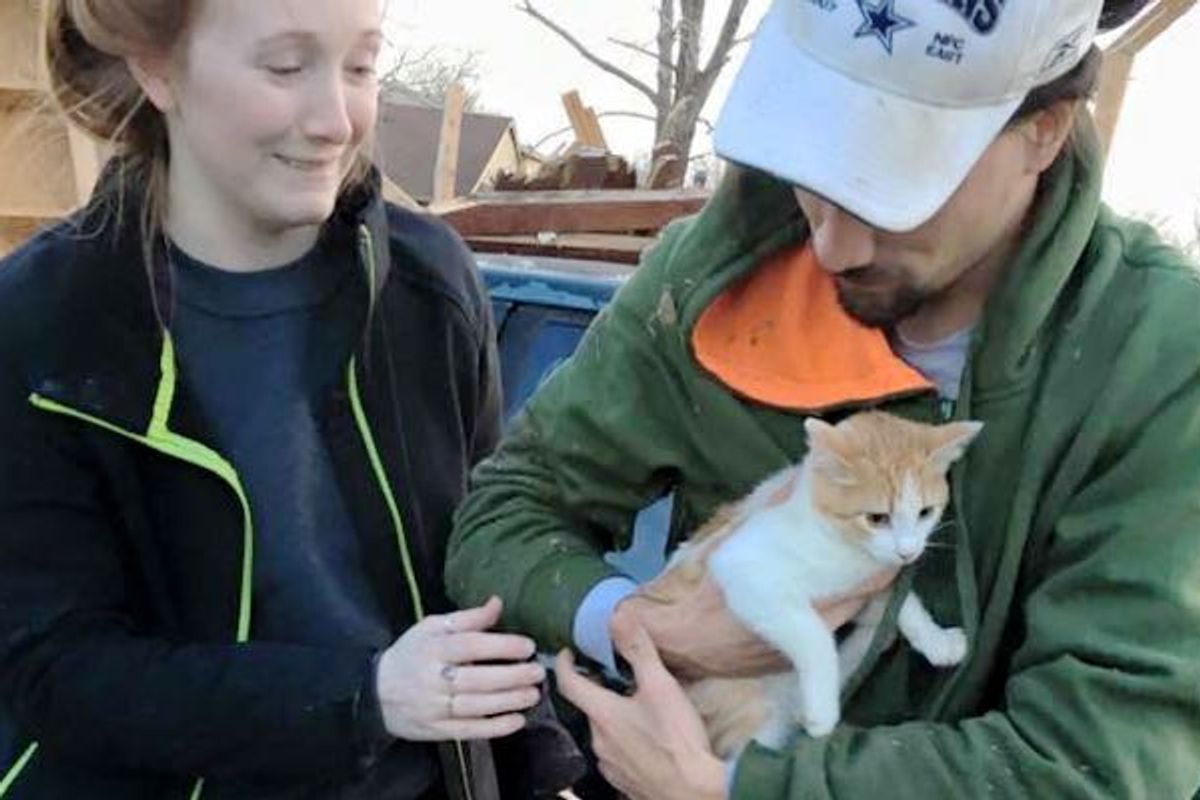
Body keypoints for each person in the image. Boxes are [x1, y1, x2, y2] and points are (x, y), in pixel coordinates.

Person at [446, 0, 1200, 797]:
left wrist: (734, 787)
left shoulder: (1157, 363)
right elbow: (505, 512)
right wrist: (641, 623)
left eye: (893, 189)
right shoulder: (717, 279)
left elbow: (1107, 756)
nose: (833, 248)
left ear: (1043, 129)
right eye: (816, 169)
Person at [0, 1, 552, 797]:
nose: (336, 119)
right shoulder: (45, 323)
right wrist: (361, 699)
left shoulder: (431, 285)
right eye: (286, 67)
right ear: (158, 68)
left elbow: (478, 570)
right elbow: (53, 668)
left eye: (361, 66)